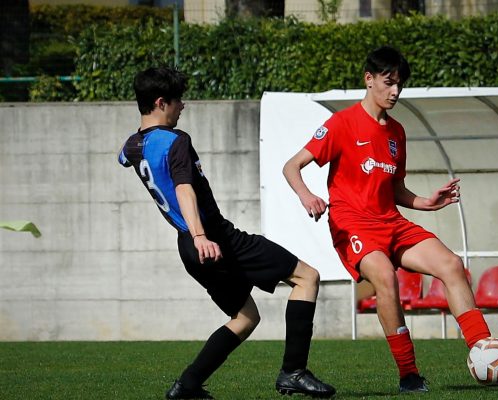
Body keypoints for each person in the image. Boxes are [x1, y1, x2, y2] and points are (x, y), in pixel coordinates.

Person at [282, 46, 498, 394]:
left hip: (391, 221)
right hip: (353, 225)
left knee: (451, 264)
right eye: (388, 83)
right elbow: (291, 166)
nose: (395, 92)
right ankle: (408, 374)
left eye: (399, 84)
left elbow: (396, 188)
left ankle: (484, 348)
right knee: (385, 278)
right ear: (368, 80)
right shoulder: (341, 124)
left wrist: (427, 202)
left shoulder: (397, 133)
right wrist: (306, 195)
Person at [118, 67, 336, 400]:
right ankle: (294, 371)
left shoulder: (133, 146)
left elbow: (123, 157)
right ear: (161, 102)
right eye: (178, 101)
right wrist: (201, 235)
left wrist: (194, 238)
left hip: (189, 249)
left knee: (245, 317)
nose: (183, 107)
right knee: (307, 277)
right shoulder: (175, 141)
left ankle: (187, 385)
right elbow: (184, 189)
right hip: (215, 239)